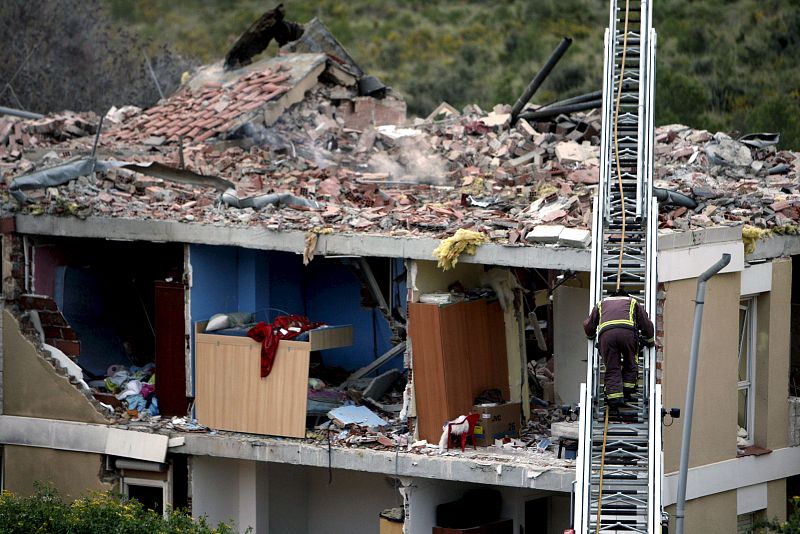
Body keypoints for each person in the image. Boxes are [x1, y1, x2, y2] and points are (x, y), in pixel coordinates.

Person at [583, 289, 655, 409]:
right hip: (627, 334)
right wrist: (650, 341)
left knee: (612, 367)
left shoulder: (601, 303)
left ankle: (614, 398)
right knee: (630, 361)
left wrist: (591, 336)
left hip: (607, 336)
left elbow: (588, 325)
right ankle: (627, 390)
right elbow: (646, 324)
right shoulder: (633, 302)